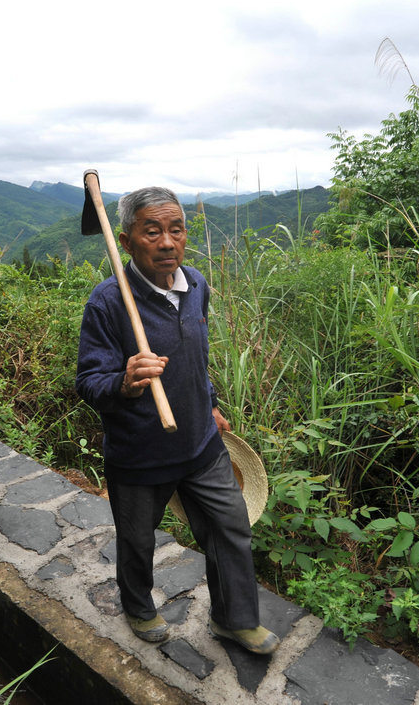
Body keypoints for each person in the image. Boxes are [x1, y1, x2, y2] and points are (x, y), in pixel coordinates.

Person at [75, 186, 279, 655]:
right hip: (140, 452)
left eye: (176, 230)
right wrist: (125, 382)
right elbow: (89, 382)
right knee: (137, 540)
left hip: (202, 444)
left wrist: (208, 402)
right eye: (152, 232)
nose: (168, 242)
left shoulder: (197, 284)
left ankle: (234, 620)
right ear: (126, 242)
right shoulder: (107, 303)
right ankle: (139, 608)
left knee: (231, 528)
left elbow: (196, 357)